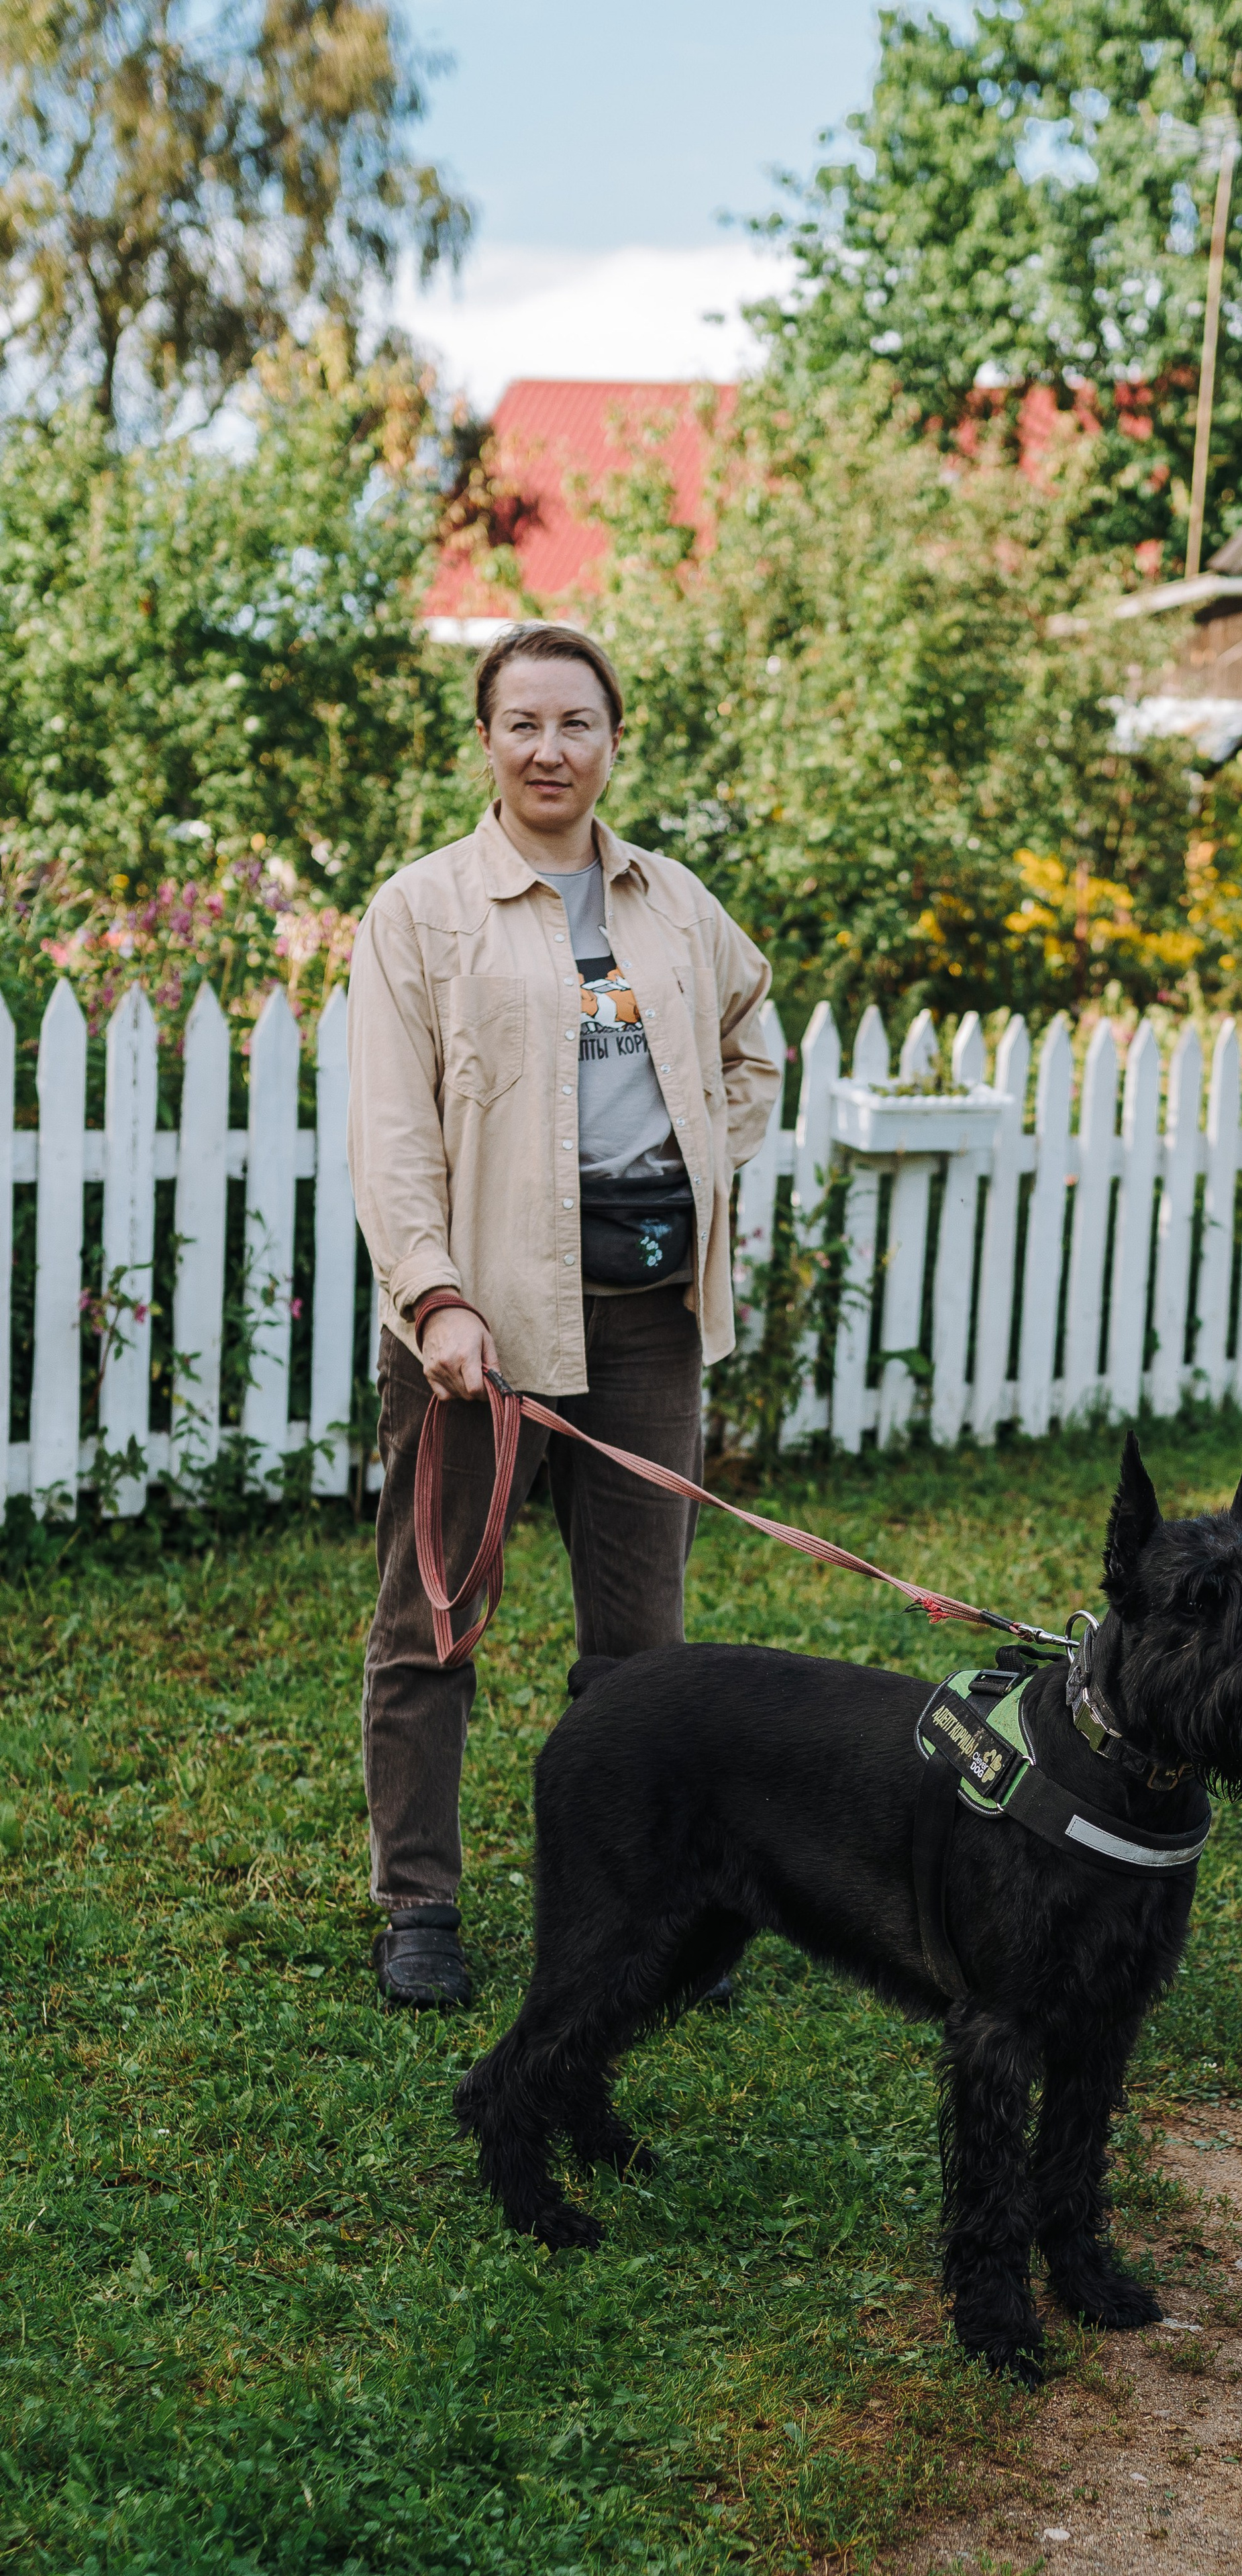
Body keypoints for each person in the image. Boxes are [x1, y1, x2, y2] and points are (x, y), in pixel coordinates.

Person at [346, 622, 780, 2008]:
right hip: (482, 1330)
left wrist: (701, 1148)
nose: (550, 748)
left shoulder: (670, 902)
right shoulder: (420, 912)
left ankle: (638, 1904)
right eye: (523, 721)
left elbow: (748, 1037)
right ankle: (420, 1906)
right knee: (433, 1623)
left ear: (611, 740)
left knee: (642, 1649)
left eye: (576, 723)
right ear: (485, 739)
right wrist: (436, 1294)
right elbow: (391, 1135)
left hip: (648, 1318)